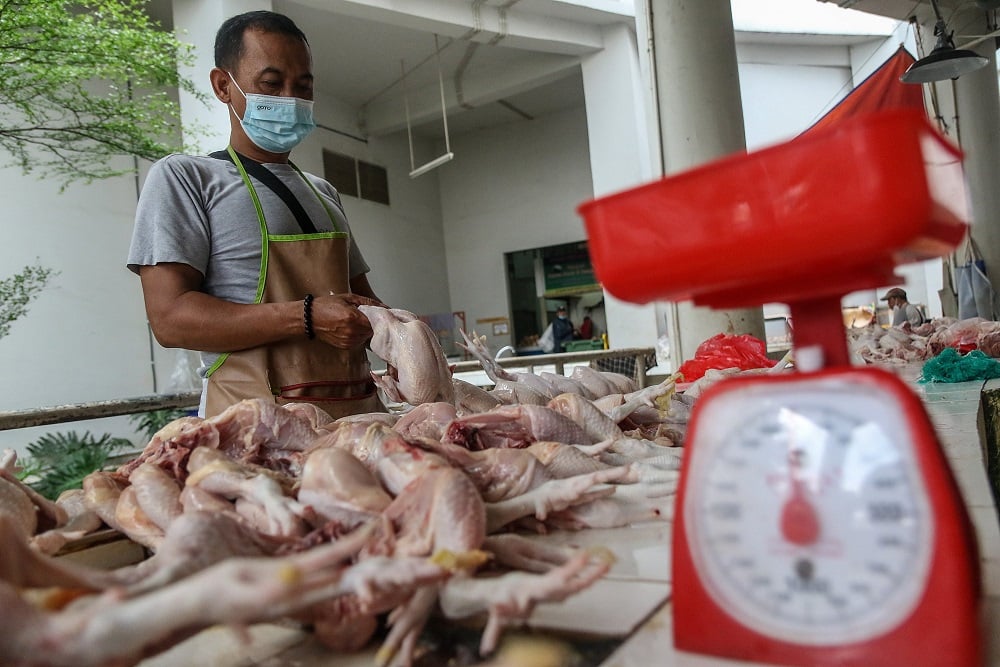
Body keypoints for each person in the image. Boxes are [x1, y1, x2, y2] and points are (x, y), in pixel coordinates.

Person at [127, 10, 385, 419]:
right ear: (223, 86)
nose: (289, 99)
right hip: (256, 427)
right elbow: (171, 320)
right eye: (271, 84)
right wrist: (306, 316)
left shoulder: (324, 193)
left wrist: (405, 336)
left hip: (357, 418)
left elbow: (365, 304)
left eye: (302, 87)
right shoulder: (185, 177)